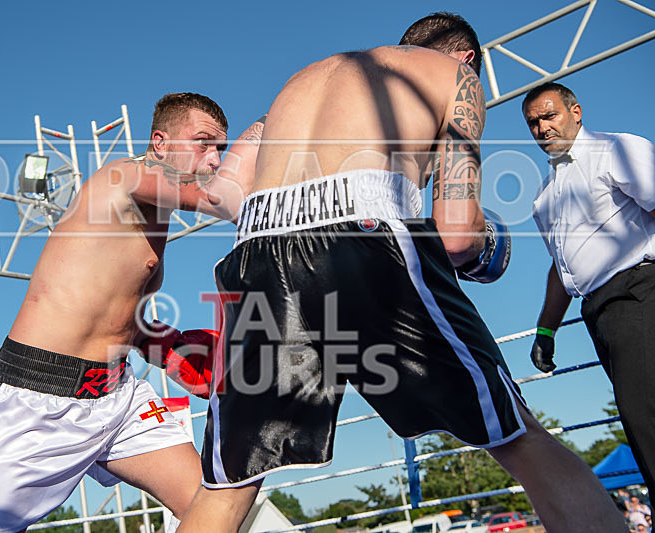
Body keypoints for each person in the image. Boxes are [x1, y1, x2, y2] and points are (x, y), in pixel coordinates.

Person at [177, 13, 625, 533]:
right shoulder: (452, 77)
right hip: (366, 235)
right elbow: (454, 235)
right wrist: (487, 247)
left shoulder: (295, 88)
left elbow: (223, 194)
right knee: (516, 434)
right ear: (468, 60)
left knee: (230, 482)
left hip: (257, 250)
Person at [0, 92, 262, 532]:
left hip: (117, 394)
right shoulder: (123, 177)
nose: (214, 159)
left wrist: (170, 349)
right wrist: (272, 125)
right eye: (203, 143)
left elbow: (113, 316)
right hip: (41, 396)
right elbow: (224, 199)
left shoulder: (157, 214)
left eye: (222, 148)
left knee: (212, 505)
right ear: (161, 142)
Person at [523, 81, 655, 495]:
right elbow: (562, 268)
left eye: (550, 116)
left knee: (648, 418)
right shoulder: (544, 198)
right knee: (640, 426)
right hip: (599, 314)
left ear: (575, 112)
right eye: (533, 123)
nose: (543, 128)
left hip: (640, 293)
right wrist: (546, 330)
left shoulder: (615, 150)